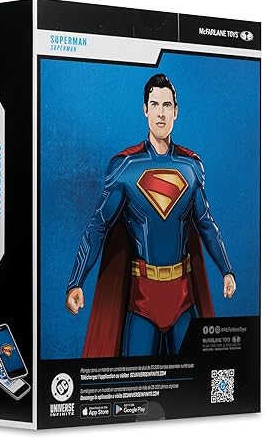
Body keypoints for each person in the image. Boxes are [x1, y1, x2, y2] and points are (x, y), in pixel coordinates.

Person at [65, 73, 236, 357]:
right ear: (145, 109)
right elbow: (98, 227)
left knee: (191, 378)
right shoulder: (126, 166)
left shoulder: (191, 166)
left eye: (167, 105)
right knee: (136, 377)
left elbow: (206, 223)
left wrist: (226, 269)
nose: (161, 113)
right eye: (155, 104)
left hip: (182, 298)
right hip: (143, 301)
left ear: (176, 111)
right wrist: (76, 281)